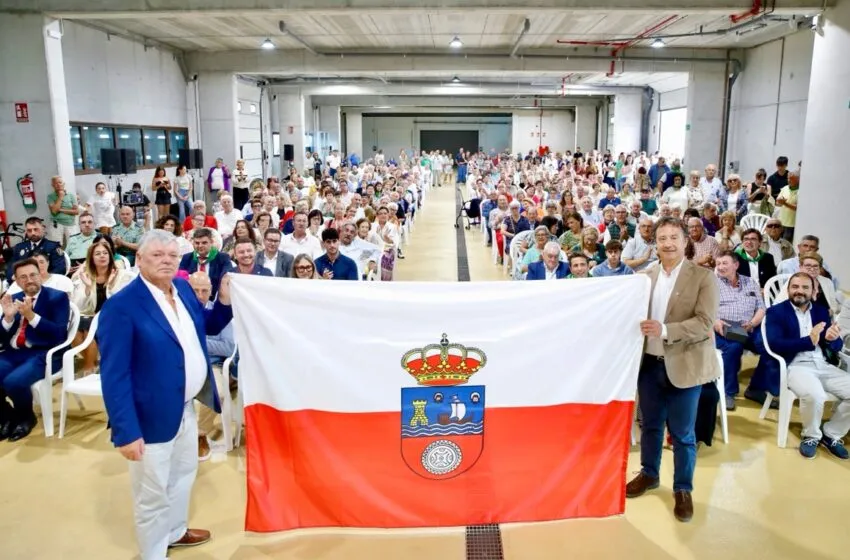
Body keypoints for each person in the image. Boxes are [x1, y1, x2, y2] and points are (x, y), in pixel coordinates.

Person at [98, 230, 233, 559]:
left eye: (172, 255)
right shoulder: (122, 307)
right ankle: (153, 552)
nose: (166, 261)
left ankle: (175, 531)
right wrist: (126, 431)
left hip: (185, 408)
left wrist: (225, 300)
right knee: (152, 492)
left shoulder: (184, 289)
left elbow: (206, 325)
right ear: (139, 259)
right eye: (157, 255)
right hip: (150, 417)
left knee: (184, 475)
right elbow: (114, 375)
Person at [629, 217, 719, 523]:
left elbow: (705, 323)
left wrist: (665, 329)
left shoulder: (703, 277)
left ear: (685, 242)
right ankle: (649, 474)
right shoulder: (644, 276)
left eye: (673, 238)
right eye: (662, 238)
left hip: (685, 365)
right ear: (655, 242)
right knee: (651, 426)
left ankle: (683, 489)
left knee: (682, 434)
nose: (667, 243)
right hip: (649, 366)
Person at [764, 272, 848, 460]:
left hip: (823, 364)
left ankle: (831, 434)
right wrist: (808, 341)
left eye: (805, 287)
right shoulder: (776, 312)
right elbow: (775, 344)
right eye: (795, 287)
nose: (799, 291)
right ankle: (811, 435)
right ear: (788, 289)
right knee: (814, 395)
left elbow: (834, 345)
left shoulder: (820, 311)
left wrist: (832, 339)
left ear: (813, 291)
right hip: (795, 365)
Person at [0, 258, 71, 441]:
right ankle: (7, 416)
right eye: (23, 277)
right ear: (16, 281)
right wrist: (7, 319)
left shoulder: (57, 297)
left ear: (40, 275)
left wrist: (31, 316)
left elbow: (59, 335)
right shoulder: (13, 299)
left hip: (45, 353)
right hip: (15, 352)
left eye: (33, 275)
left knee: (13, 382)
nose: (29, 280)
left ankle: (25, 417)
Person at [70, 238, 134, 375]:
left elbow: (121, 304)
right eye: (97, 254)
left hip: (114, 317)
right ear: (91, 258)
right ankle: (93, 364)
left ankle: (89, 367)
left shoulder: (122, 276)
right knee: (75, 329)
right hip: (91, 315)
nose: (102, 256)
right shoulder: (85, 276)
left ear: (110, 256)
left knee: (88, 327)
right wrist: (87, 288)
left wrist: (109, 286)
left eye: (105, 253)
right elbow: (78, 306)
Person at [713, 251, 767, 411]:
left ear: (736, 265)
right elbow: (704, 308)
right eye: (718, 264)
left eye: (724, 263)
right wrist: (714, 320)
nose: (720, 267)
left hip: (749, 326)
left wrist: (752, 323)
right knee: (733, 348)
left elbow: (761, 307)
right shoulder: (711, 283)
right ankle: (728, 392)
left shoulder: (750, 282)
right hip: (723, 328)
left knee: (769, 347)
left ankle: (756, 388)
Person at [179, 228, 233, 299]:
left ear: (211, 242)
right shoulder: (187, 258)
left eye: (204, 243)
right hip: (192, 299)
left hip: (215, 299)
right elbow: (180, 280)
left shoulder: (223, 258)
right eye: (197, 243)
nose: (200, 246)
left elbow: (226, 276)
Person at [6, 250, 73, 296]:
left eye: (41, 262)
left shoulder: (63, 280)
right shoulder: (18, 283)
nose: (38, 265)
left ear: (48, 263)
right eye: (34, 263)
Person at [46, 176, 80, 245]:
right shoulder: (50, 197)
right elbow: (54, 211)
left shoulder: (71, 196)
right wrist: (61, 196)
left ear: (63, 184)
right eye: (55, 183)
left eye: (60, 182)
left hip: (71, 223)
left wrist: (60, 209)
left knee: (73, 245)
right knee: (55, 246)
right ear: (52, 185)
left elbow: (76, 211)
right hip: (56, 224)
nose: (58, 184)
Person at [775, 170, 799, 241]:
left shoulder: (800, 191)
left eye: (791, 178)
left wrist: (785, 203)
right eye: (788, 178)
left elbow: (797, 208)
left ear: (798, 179)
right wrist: (779, 201)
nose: (789, 180)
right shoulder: (785, 188)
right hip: (781, 222)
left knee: (786, 245)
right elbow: (777, 203)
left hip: (791, 224)